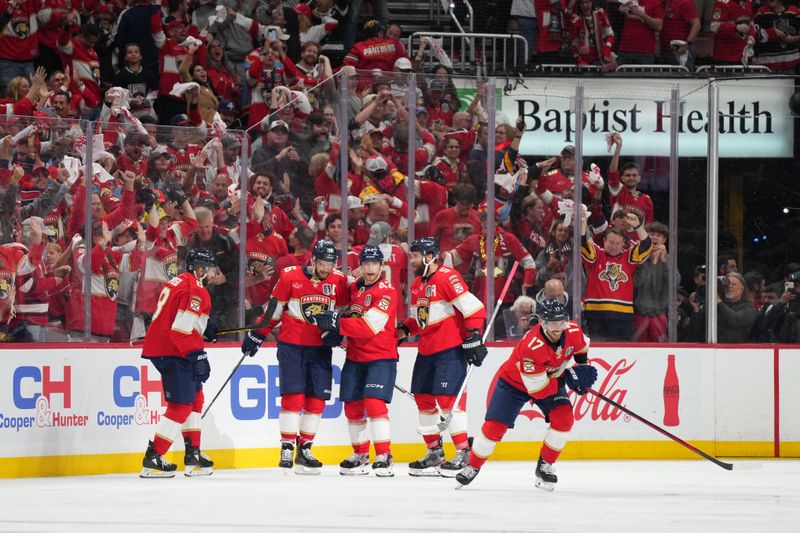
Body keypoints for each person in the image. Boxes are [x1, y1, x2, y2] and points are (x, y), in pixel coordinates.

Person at [455, 298, 597, 491]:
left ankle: (545, 465)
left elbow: (581, 347)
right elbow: (538, 390)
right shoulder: (532, 345)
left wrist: (581, 370)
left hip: (550, 379)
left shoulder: (572, 330)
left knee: (564, 419)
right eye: (553, 323)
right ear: (543, 322)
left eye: (561, 322)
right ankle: (473, 466)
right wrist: (569, 379)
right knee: (493, 429)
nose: (558, 328)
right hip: (514, 384)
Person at [240, 239, 349, 474]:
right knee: (294, 396)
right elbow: (274, 310)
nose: (325, 268)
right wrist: (258, 334)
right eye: (322, 263)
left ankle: (305, 448)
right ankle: (287, 446)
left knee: (318, 398)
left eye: (330, 264)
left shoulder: (339, 281)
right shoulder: (290, 276)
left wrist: (337, 331)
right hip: (292, 346)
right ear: (313, 260)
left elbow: (343, 311)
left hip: (320, 348)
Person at [400, 237, 487, 477]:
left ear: (429, 257)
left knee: (448, 401)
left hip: (449, 349)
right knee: (424, 399)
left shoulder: (448, 277)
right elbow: (421, 319)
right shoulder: (418, 283)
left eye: (416, 256)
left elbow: (474, 308)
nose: (412, 261)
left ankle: (462, 453)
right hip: (426, 350)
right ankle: (434, 452)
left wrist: (473, 336)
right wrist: (403, 330)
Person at [313, 245, 399, 477]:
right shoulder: (354, 288)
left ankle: (383, 456)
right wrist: (338, 331)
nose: (370, 267)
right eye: (366, 263)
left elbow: (369, 326)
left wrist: (337, 324)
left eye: (374, 263)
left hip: (381, 357)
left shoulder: (387, 291)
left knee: (374, 404)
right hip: (355, 356)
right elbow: (344, 307)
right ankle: (361, 454)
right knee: (352, 407)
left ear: (381, 266)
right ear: (360, 266)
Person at [139, 248, 220, 478]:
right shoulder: (196, 289)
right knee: (181, 405)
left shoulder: (180, 281)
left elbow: (178, 316)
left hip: (166, 347)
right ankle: (153, 457)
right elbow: (181, 330)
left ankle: (193, 453)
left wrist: (204, 327)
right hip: (174, 350)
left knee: (195, 398)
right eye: (210, 268)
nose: (213, 273)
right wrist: (197, 355)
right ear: (200, 269)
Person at [581, 212, 652, 341]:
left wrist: (638, 226)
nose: (614, 246)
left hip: (623, 317)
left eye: (618, 243)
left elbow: (646, 245)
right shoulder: (597, 256)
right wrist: (582, 222)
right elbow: (583, 245)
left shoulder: (628, 258)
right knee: (598, 353)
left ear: (623, 243)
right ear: (604, 241)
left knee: (623, 352)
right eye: (611, 242)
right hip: (596, 316)